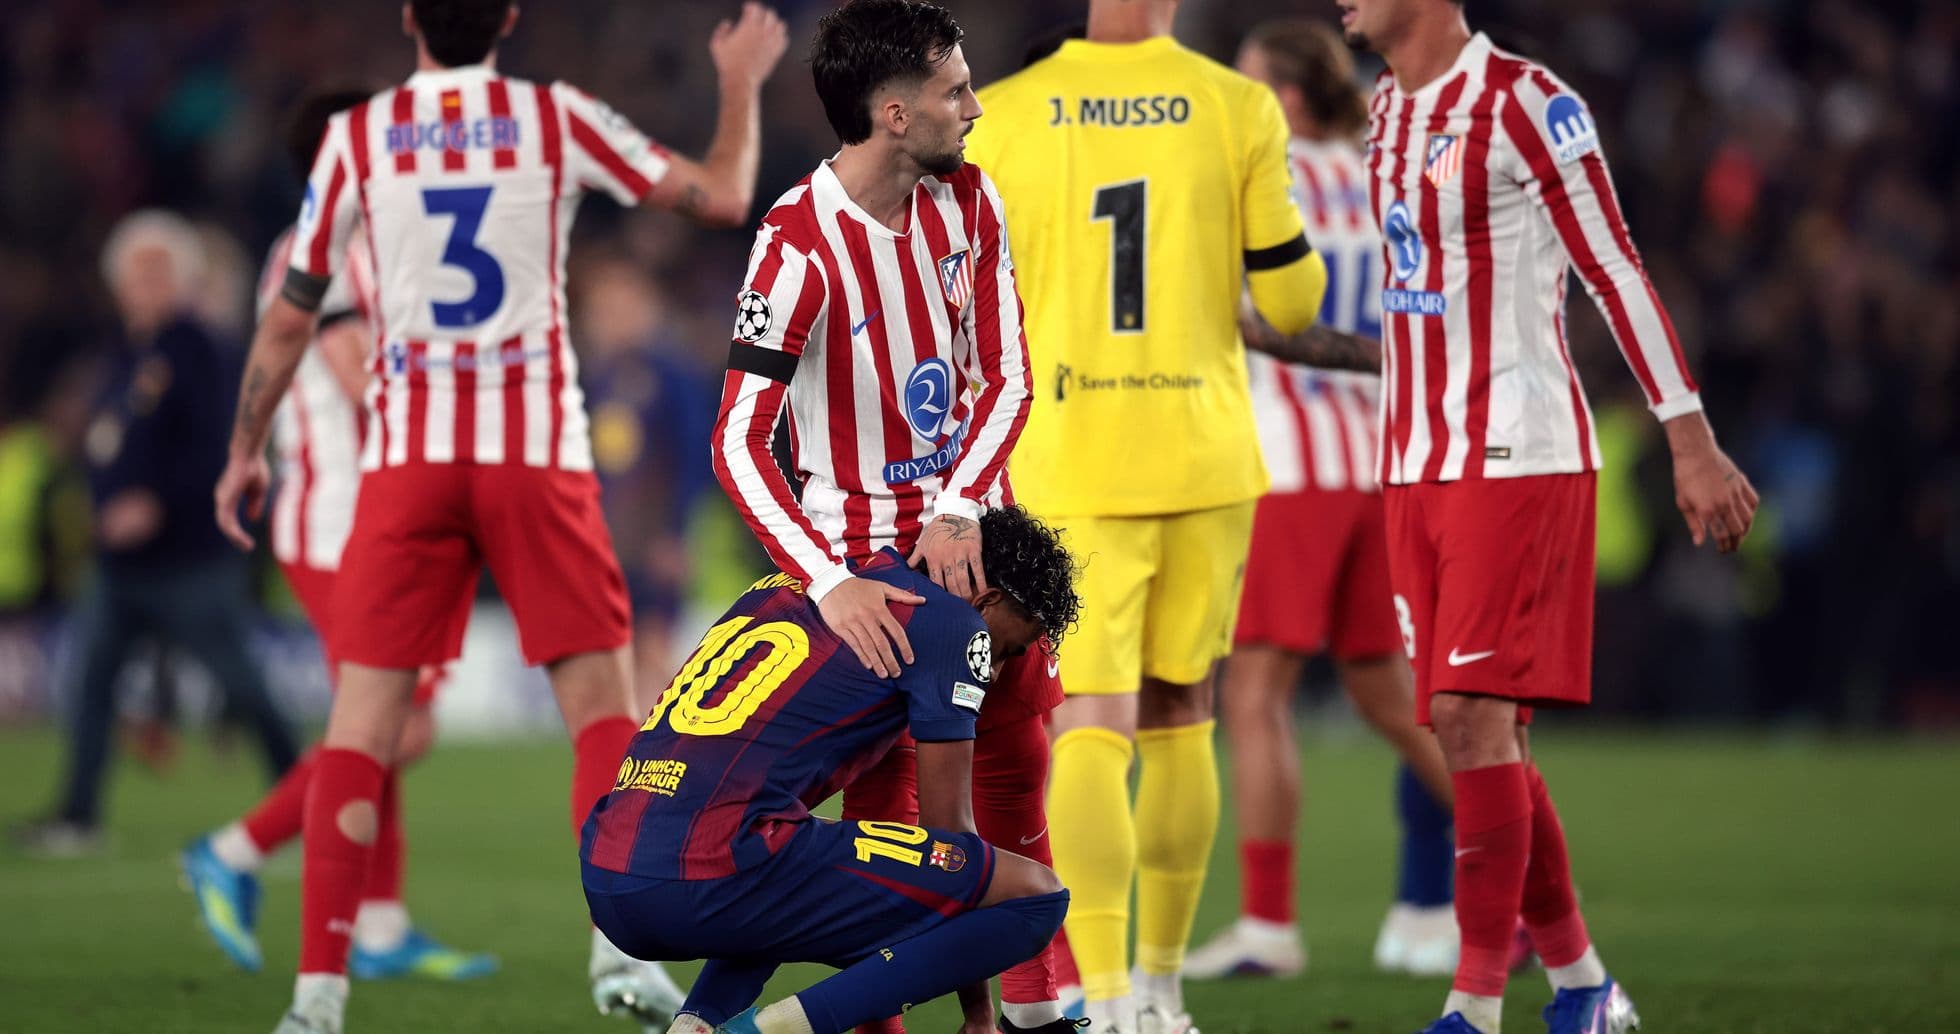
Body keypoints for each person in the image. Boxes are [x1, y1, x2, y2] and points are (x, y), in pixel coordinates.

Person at [211, 2, 789, 1031]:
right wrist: (739, 82)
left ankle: (315, 998)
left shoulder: (355, 138)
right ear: (511, 17)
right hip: (534, 452)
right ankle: (619, 955)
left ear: (406, 18)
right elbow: (723, 194)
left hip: (409, 457)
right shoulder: (552, 116)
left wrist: (245, 448)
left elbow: (293, 309)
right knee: (602, 711)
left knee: (362, 722)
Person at [1336, 1, 1759, 1031]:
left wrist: (1687, 436)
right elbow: (1410, 296)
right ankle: (1582, 984)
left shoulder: (1529, 103)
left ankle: (1472, 1004)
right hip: (1412, 463)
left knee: (1473, 718)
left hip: (1516, 451)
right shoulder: (1384, 111)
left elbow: (1613, 267)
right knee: (1465, 727)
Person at [961, 1, 1330, 1030]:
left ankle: (1107, 992)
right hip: (1203, 452)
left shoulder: (1004, 112)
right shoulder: (1237, 104)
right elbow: (1294, 302)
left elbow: (960, 292)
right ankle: (1164, 994)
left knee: (1088, 724)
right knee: (1182, 714)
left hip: (1069, 455)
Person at [709, 3, 1070, 1031]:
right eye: (957, 88)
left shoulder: (971, 202)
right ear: (894, 112)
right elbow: (738, 438)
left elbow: (1007, 375)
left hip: (974, 546)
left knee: (1017, 764)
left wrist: (961, 506)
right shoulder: (793, 246)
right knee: (888, 817)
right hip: (867, 566)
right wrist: (830, 580)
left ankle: (1028, 1014)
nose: (976, 105)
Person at [180, 89, 492, 982]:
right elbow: (362, 383)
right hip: (345, 519)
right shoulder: (329, 248)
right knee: (401, 724)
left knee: (381, 714)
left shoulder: (369, 244)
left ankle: (382, 927)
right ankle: (235, 851)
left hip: (363, 517)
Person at [1183, 18, 1459, 983]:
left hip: (1287, 467)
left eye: (1251, 82)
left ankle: (1267, 928)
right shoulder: (1375, 161)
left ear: (1288, 96)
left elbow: (1236, 312)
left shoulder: (1267, 171)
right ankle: (1535, 884)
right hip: (1380, 463)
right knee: (1392, 699)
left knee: (1253, 698)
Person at [580, 505, 1081, 1034]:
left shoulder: (787, 585)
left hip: (610, 874)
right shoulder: (955, 625)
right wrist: (978, 1014)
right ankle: (772, 1031)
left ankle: (698, 1023)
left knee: (795, 858)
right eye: (1009, 648)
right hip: (710, 874)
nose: (998, 669)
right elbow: (950, 840)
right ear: (989, 599)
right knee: (1037, 896)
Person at [12, 209, 300, 859]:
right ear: (116, 282)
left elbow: (221, 446)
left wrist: (155, 503)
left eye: (159, 268)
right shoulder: (125, 352)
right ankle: (77, 815)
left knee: (243, 686)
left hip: (189, 558)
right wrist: (104, 500)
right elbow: (111, 446)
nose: (146, 282)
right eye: (136, 270)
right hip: (121, 566)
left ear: (185, 276)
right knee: (90, 685)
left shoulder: (204, 347)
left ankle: (302, 803)